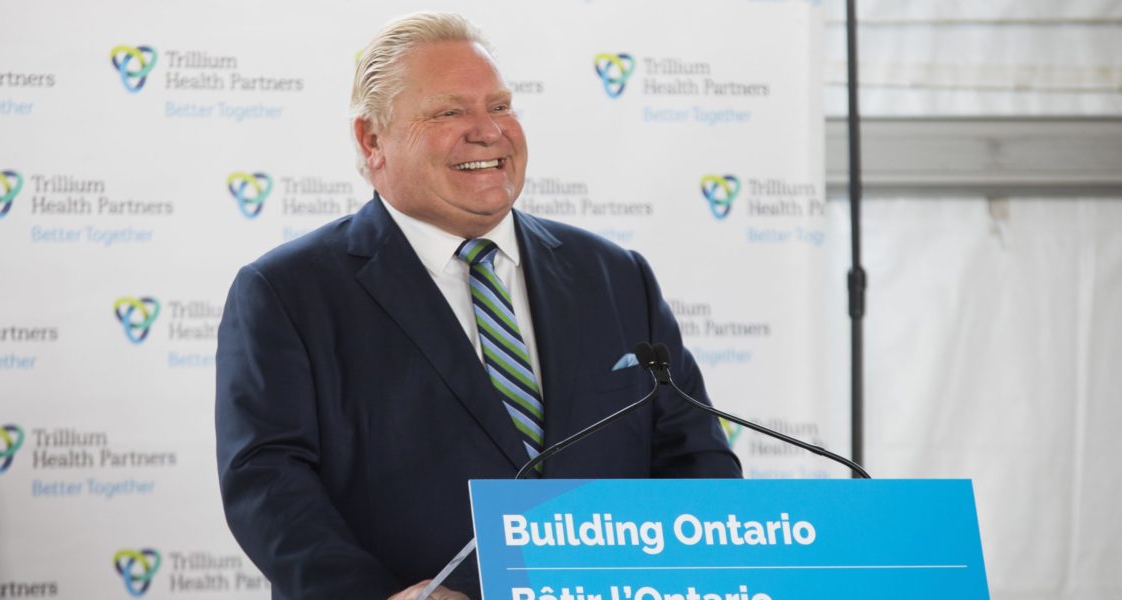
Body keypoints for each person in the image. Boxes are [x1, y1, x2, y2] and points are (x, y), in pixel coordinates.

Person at [215, 12, 742, 600]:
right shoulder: (288, 291)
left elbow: (694, 456)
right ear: (371, 139)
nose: (487, 131)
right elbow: (267, 483)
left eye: (500, 106)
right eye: (448, 112)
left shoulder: (615, 275)